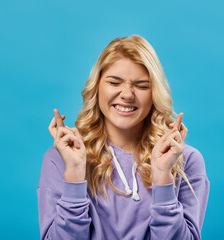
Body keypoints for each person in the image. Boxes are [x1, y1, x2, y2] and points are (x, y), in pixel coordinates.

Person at [37, 35, 210, 240]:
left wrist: (163, 178)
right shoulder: (60, 158)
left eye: (142, 85)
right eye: (114, 82)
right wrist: (74, 174)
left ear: (155, 94)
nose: (127, 94)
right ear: (96, 87)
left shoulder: (185, 160)